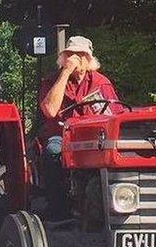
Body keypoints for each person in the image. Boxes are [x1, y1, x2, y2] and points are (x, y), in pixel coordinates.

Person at [38, 35, 121, 218]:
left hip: (94, 138)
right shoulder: (52, 82)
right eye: (71, 54)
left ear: (89, 59)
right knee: (53, 150)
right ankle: (57, 208)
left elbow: (114, 115)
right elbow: (50, 111)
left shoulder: (101, 82)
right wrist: (65, 73)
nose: (76, 59)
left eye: (81, 54)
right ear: (64, 57)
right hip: (63, 136)